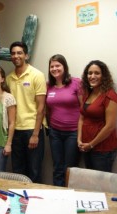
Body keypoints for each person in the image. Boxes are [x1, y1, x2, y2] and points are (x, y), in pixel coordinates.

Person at [6, 41, 47, 183]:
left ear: (26, 55)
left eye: (19, 53)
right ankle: (18, 203)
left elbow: (41, 107)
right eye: (13, 53)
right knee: (18, 171)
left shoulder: (37, 75)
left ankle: (34, 203)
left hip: (32, 130)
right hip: (15, 130)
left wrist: (35, 134)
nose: (16, 56)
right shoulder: (9, 78)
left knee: (34, 171)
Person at [78, 60, 117, 172]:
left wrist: (91, 144)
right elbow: (82, 117)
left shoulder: (110, 95)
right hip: (86, 147)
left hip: (103, 149)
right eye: (90, 73)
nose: (92, 76)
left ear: (104, 76)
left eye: (97, 73)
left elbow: (110, 126)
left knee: (102, 185)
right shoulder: (88, 93)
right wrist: (79, 139)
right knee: (92, 182)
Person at [46, 54, 82, 186]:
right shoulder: (48, 85)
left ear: (64, 67)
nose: (54, 68)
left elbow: (83, 108)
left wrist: (80, 133)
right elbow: (47, 109)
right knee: (57, 167)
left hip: (73, 133)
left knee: (70, 168)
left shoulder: (76, 82)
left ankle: (70, 197)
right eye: (52, 66)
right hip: (55, 132)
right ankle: (58, 196)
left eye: (58, 65)